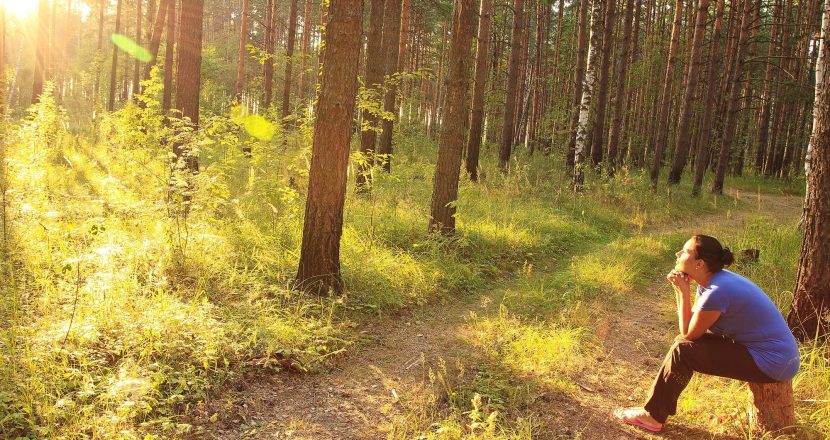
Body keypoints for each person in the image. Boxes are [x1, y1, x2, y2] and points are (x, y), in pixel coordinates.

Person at [614, 235, 800, 433]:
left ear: (699, 263)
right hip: (765, 353)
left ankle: (652, 416)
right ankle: (656, 411)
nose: (678, 254)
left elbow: (689, 334)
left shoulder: (717, 291)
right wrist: (682, 290)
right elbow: (692, 326)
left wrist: (683, 292)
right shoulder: (711, 281)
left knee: (683, 350)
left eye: (685, 251)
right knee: (682, 346)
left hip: (774, 362)